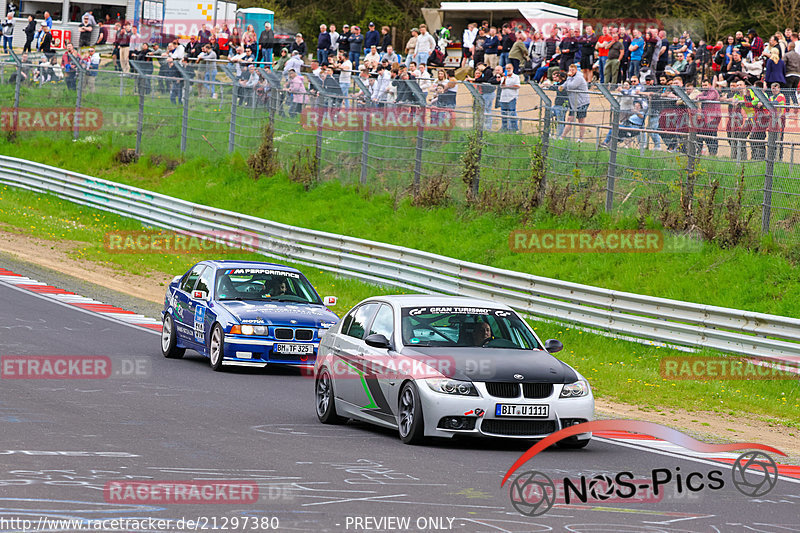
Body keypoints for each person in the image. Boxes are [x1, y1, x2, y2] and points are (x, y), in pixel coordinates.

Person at [562, 63, 589, 141]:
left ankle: (581, 138)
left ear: (576, 70)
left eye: (573, 70)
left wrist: (568, 78)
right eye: (570, 70)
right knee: (570, 119)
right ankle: (562, 137)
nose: (571, 71)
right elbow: (565, 85)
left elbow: (571, 86)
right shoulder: (570, 77)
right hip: (573, 102)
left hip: (582, 102)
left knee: (581, 120)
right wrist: (560, 87)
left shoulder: (578, 78)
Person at [499, 63, 520, 131]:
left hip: (511, 98)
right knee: (504, 114)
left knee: (512, 113)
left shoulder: (516, 77)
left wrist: (508, 86)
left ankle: (514, 128)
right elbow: (502, 86)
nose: (508, 70)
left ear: (512, 69)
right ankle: (504, 128)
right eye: (506, 68)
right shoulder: (503, 77)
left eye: (509, 68)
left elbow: (517, 86)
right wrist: (504, 79)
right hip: (503, 98)